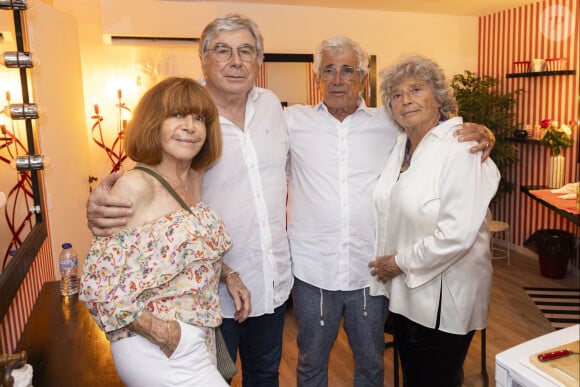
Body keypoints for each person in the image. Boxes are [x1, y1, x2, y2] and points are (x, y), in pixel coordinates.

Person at [86, 14, 292, 387]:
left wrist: (230, 274)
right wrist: (101, 200)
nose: (236, 61)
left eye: (246, 50)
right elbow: (150, 181)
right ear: (204, 58)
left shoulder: (272, 107)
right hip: (200, 309)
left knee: (266, 377)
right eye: (223, 50)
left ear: (259, 60)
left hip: (267, 283)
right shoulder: (183, 118)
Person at [285, 36, 495, 386]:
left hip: (372, 271)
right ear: (317, 76)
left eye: (348, 70)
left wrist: (483, 132)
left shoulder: (388, 122)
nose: (338, 79)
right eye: (329, 70)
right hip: (313, 269)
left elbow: (439, 129)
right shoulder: (292, 121)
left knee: (371, 364)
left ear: (363, 79)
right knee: (310, 363)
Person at [79, 77, 233, 386]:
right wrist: (165, 334)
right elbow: (99, 287)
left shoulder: (192, 179)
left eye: (199, 118)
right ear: (153, 123)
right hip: (157, 345)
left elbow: (182, 255)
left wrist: (230, 275)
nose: (190, 126)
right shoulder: (136, 186)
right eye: (176, 115)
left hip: (193, 340)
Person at [368, 55, 500, 387]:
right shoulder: (402, 145)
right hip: (409, 294)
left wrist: (397, 263)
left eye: (416, 89)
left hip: (445, 298)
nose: (405, 99)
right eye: (396, 94)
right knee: (419, 376)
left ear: (439, 97)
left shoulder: (460, 147)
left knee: (433, 378)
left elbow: (455, 235)